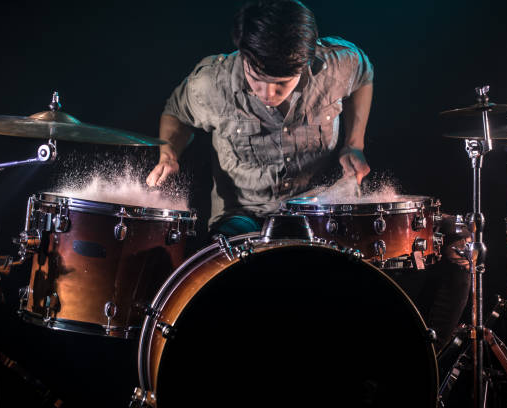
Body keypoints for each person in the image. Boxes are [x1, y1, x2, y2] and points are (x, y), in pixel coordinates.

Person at [146, 0, 469, 351]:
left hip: (318, 215)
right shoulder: (212, 82)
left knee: (449, 253)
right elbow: (176, 112)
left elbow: (364, 73)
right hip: (243, 218)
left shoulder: (336, 65)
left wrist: (353, 143)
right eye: (257, 79)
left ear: (306, 60)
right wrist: (169, 153)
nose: (267, 94)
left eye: (281, 84)